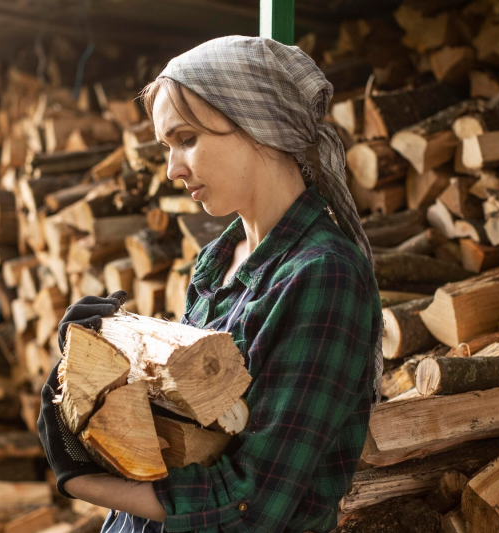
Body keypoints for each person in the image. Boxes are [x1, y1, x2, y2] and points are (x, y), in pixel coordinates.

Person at [37, 35, 383, 533]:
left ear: (258, 125)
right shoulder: (214, 262)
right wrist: (101, 370)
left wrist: (78, 478)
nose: (173, 169)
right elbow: (184, 443)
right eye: (166, 147)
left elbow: (251, 504)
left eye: (187, 140)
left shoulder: (323, 275)